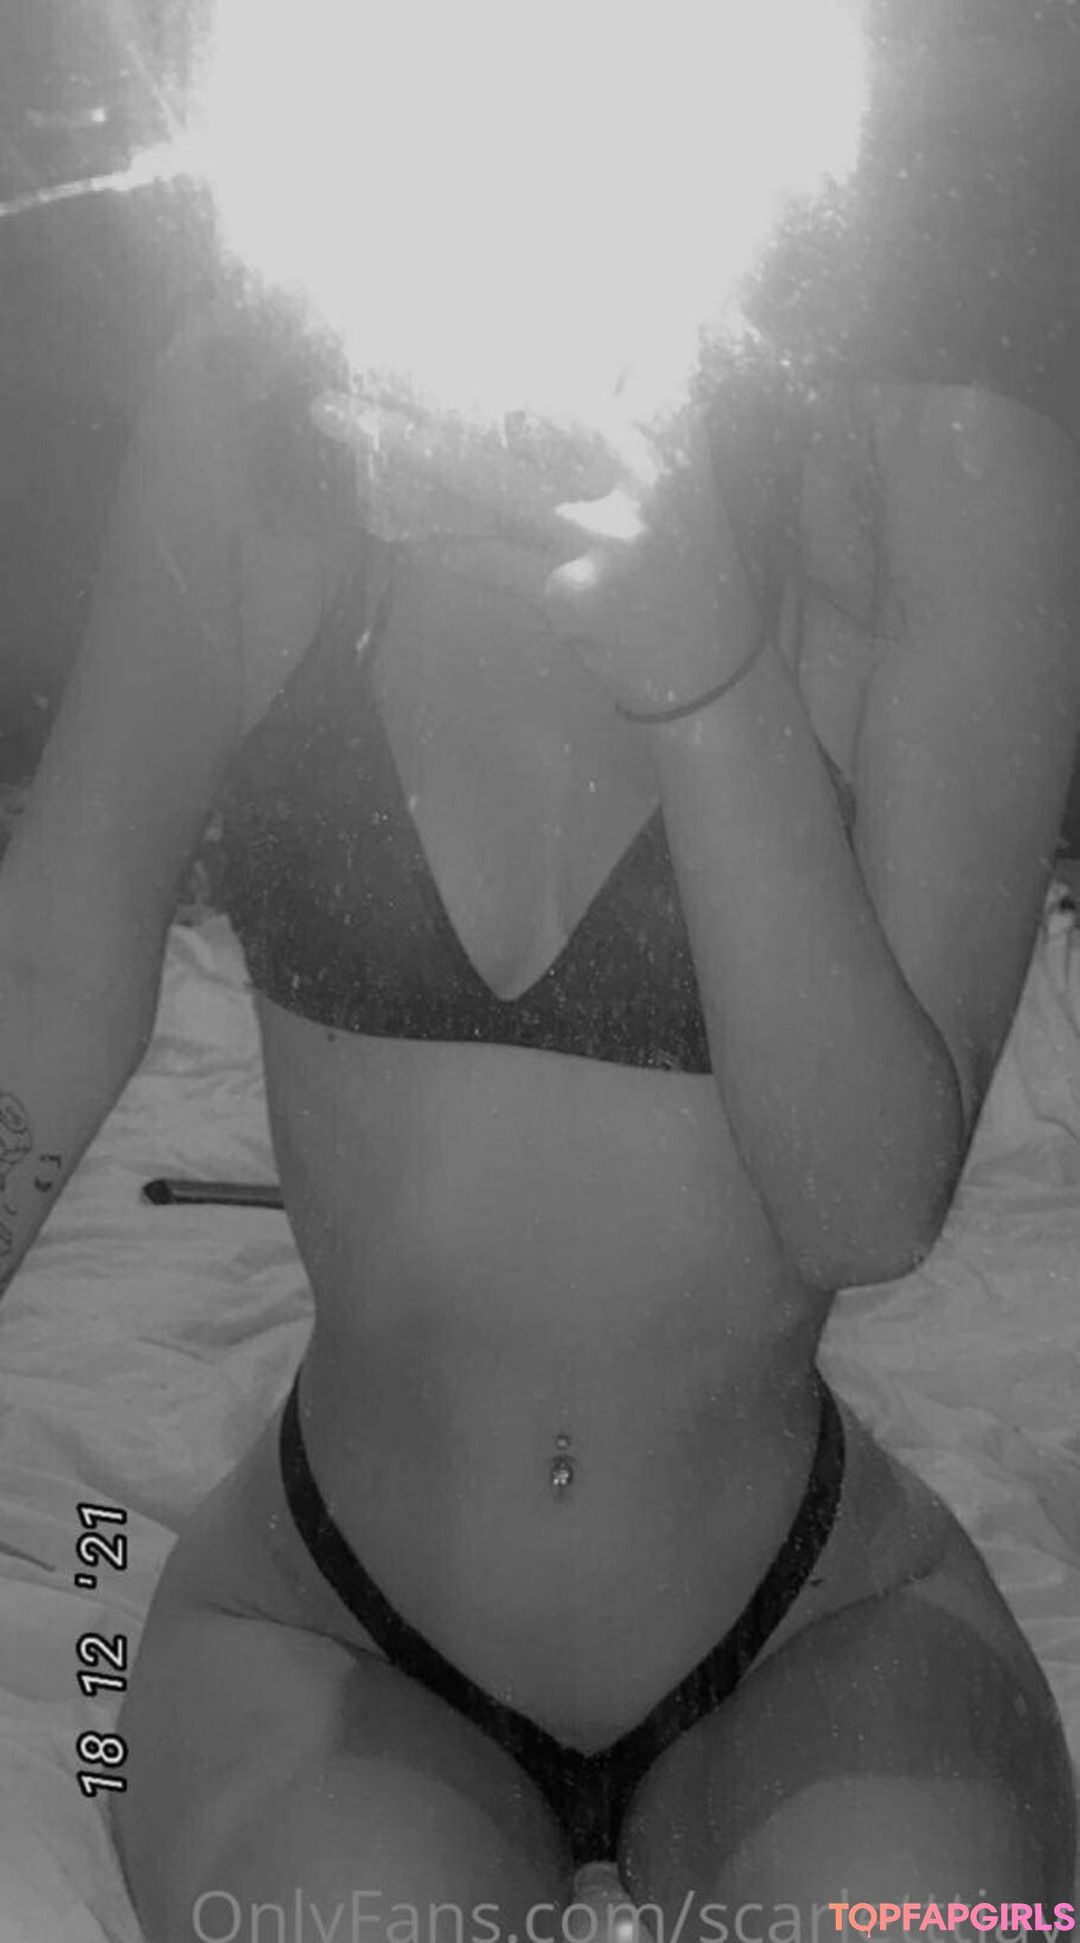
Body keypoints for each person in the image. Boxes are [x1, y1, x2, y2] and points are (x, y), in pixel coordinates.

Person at [1, 140, 1079, 1943]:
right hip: (324, 1613)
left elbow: (868, 1206)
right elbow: (54, 967)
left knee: (918, 1923)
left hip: (813, 1619)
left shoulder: (945, 481)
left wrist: (703, 677)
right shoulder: (250, 417)